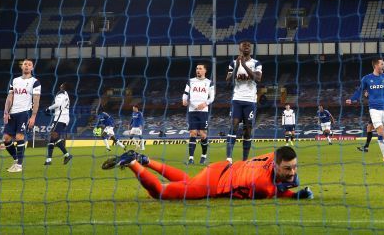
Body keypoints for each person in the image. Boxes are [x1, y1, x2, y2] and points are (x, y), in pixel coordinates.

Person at [102, 145, 313, 201]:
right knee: (159, 193)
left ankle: (146, 160)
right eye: (287, 169)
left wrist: (292, 188)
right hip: (214, 185)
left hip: (220, 168)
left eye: (294, 167)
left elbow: (283, 183)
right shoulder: (262, 186)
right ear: (276, 165)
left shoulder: (273, 154)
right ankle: (132, 163)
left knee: (188, 182)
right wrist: (294, 195)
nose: (292, 172)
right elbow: (275, 192)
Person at [346, 57, 384, 162]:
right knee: (380, 130)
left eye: (383, 64)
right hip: (374, 109)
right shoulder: (366, 79)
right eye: (382, 64)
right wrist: (352, 99)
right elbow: (360, 91)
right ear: (375, 66)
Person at [226, 41, 262, 162]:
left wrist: (244, 66)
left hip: (250, 101)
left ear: (251, 49)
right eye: (244, 45)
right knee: (234, 125)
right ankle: (229, 158)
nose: (246, 46)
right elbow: (228, 82)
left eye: (249, 45)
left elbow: (257, 79)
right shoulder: (233, 63)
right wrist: (237, 66)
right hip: (237, 99)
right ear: (240, 48)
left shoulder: (256, 63)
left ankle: (245, 160)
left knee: (248, 129)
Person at [3, 58, 41, 173]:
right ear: (21, 66)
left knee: (19, 137)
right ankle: (16, 160)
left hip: (24, 113)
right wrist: (6, 112)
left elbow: (36, 100)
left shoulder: (35, 82)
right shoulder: (14, 81)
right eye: (25, 64)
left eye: (29, 64)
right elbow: (9, 98)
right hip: (12, 113)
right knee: (6, 139)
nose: (27, 66)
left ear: (32, 68)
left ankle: (19, 165)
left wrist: (33, 116)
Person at [183, 63, 214, 165]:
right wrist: (184, 100)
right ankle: (191, 158)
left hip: (203, 112)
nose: (198, 70)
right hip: (192, 111)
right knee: (192, 133)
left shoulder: (209, 83)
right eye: (197, 69)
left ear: (205, 71)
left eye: (200, 69)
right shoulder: (191, 81)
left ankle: (203, 155)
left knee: (203, 134)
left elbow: (212, 98)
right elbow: (185, 93)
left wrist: (205, 103)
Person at [44, 82, 72, 165]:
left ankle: (67, 155)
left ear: (62, 87)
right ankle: (48, 160)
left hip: (60, 117)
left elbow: (58, 104)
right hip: (64, 118)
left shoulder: (61, 93)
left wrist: (48, 109)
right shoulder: (66, 95)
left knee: (54, 136)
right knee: (52, 138)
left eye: (61, 84)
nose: (60, 85)